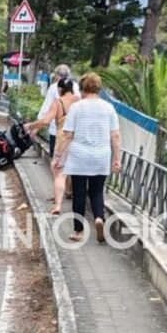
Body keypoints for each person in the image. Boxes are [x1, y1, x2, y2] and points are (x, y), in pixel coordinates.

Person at [55, 72, 122, 244]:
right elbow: (115, 136)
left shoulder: (77, 107)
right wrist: (117, 158)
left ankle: (78, 231)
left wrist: (58, 156)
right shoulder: (108, 108)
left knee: (79, 193)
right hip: (101, 156)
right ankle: (99, 218)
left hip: (79, 156)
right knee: (97, 191)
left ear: (83, 88)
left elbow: (67, 134)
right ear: (99, 88)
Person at [27, 77, 78, 215]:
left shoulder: (58, 103)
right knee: (77, 172)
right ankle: (72, 195)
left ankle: (58, 205)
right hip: (79, 139)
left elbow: (46, 120)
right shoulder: (79, 101)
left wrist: (31, 125)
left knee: (59, 172)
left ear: (60, 89)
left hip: (63, 138)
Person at [37, 64, 80, 159]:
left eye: (55, 75)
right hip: (73, 132)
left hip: (57, 132)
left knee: (56, 159)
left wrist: (37, 126)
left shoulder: (54, 87)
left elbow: (46, 108)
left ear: (58, 75)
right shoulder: (76, 87)